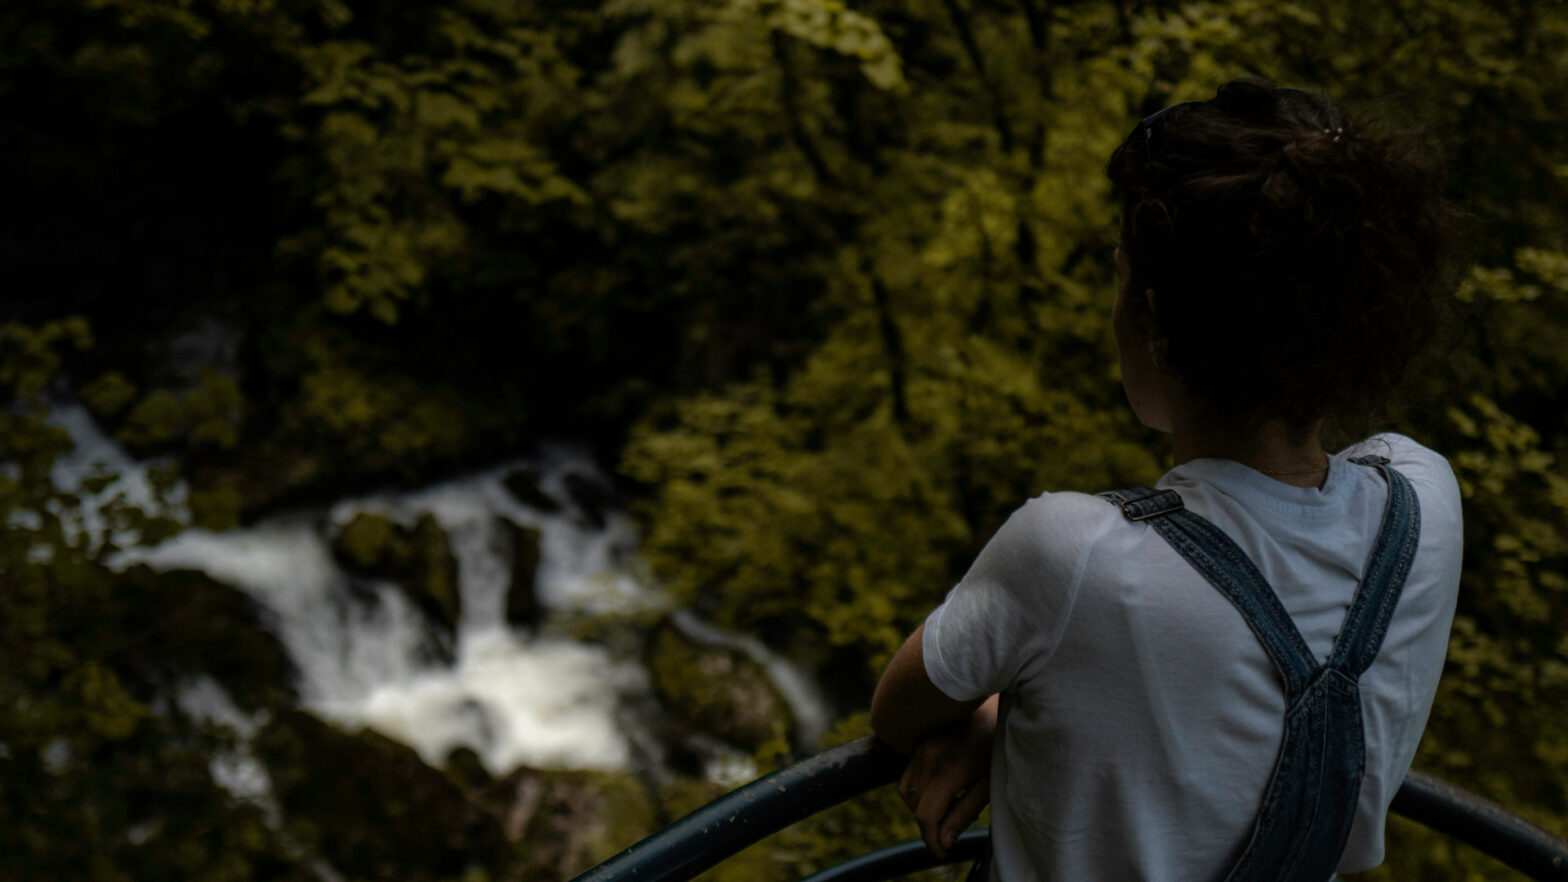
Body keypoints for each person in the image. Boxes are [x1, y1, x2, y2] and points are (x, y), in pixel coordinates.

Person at [869, 77, 1469, 881]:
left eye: (1118, 275)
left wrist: (1001, 711)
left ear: (1151, 318)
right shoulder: (1425, 504)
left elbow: (901, 709)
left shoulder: (1069, 556)